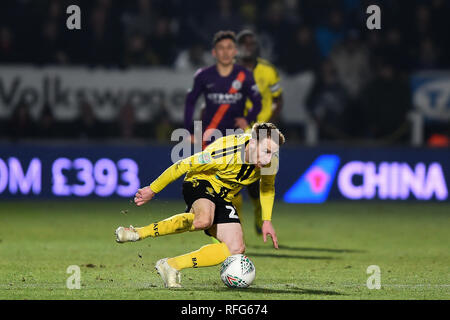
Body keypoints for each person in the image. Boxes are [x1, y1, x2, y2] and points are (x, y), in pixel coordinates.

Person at [115, 123, 285, 288]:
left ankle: (171, 265)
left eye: (273, 153)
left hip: (223, 196)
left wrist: (267, 220)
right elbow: (181, 165)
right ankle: (138, 233)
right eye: (267, 151)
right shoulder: (224, 152)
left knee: (236, 249)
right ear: (254, 142)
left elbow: (268, 188)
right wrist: (152, 189)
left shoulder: (270, 162)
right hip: (200, 181)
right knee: (204, 220)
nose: (269, 158)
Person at [235, 29, 283, 234]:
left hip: (261, 131)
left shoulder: (268, 71)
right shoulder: (229, 71)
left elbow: (278, 100)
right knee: (232, 178)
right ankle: (233, 225)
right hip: (235, 131)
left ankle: (257, 210)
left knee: (258, 179)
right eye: (243, 43)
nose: (248, 46)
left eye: (251, 43)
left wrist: (269, 126)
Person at [183, 30, 262, 149]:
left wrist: (247, 120)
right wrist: (189, 131)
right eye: (221, 48)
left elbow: (257, 103)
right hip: (209, 139)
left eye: (229, 48)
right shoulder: (203, 75)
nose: (225, 52)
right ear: (214, 52)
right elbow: (190, 101)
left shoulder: (245, 75)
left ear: (235, 51)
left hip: (236, 139)